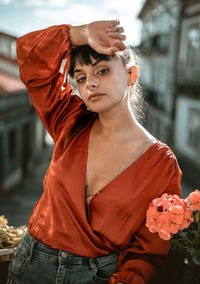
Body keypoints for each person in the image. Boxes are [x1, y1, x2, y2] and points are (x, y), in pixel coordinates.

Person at [7, 20, 182, 284]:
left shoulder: (161, 164)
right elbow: (30, 57)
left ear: (132, 76)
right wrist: (81, 33)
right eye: (81, 77)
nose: (89, 83)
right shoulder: (68, 121)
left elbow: (150, 248)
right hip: (30, 267)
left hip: (100, 277)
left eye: (102, 71)